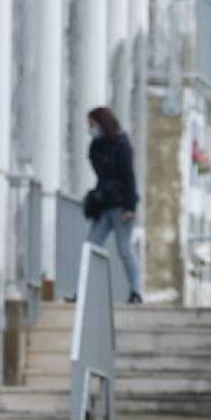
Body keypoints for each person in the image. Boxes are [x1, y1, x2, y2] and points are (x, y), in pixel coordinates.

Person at [85, 105, 144, 304]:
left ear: (102, 123)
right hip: (104, 205)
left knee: (124, 249)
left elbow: (128, 176)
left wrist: (130, 207)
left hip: (120, 205)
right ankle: (84, 291)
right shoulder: (96, 145)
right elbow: (101, 175)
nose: (90, 129)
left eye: (92, 124)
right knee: (90, 247)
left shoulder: (121, 143)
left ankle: (136, 291)